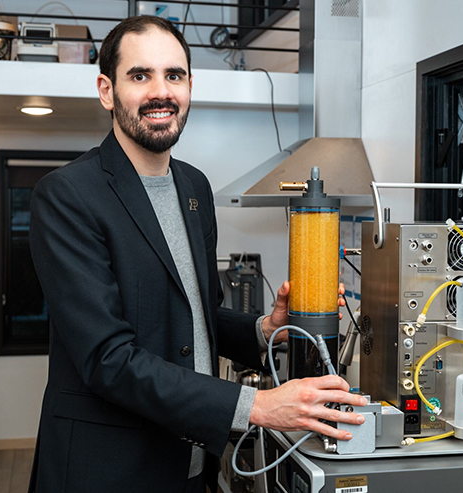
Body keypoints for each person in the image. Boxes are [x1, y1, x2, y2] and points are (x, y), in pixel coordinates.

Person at [27, 15, 366, 493]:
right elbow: (108, 359)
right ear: (107, 90)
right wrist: (258, 405)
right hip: (107, 471)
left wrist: (264, 329)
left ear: (190, 87)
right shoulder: (67, 196)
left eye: (175, 75)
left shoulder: (194, 187)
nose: (160, 92)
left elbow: (197, 315)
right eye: (140, 75)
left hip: (190, 466)